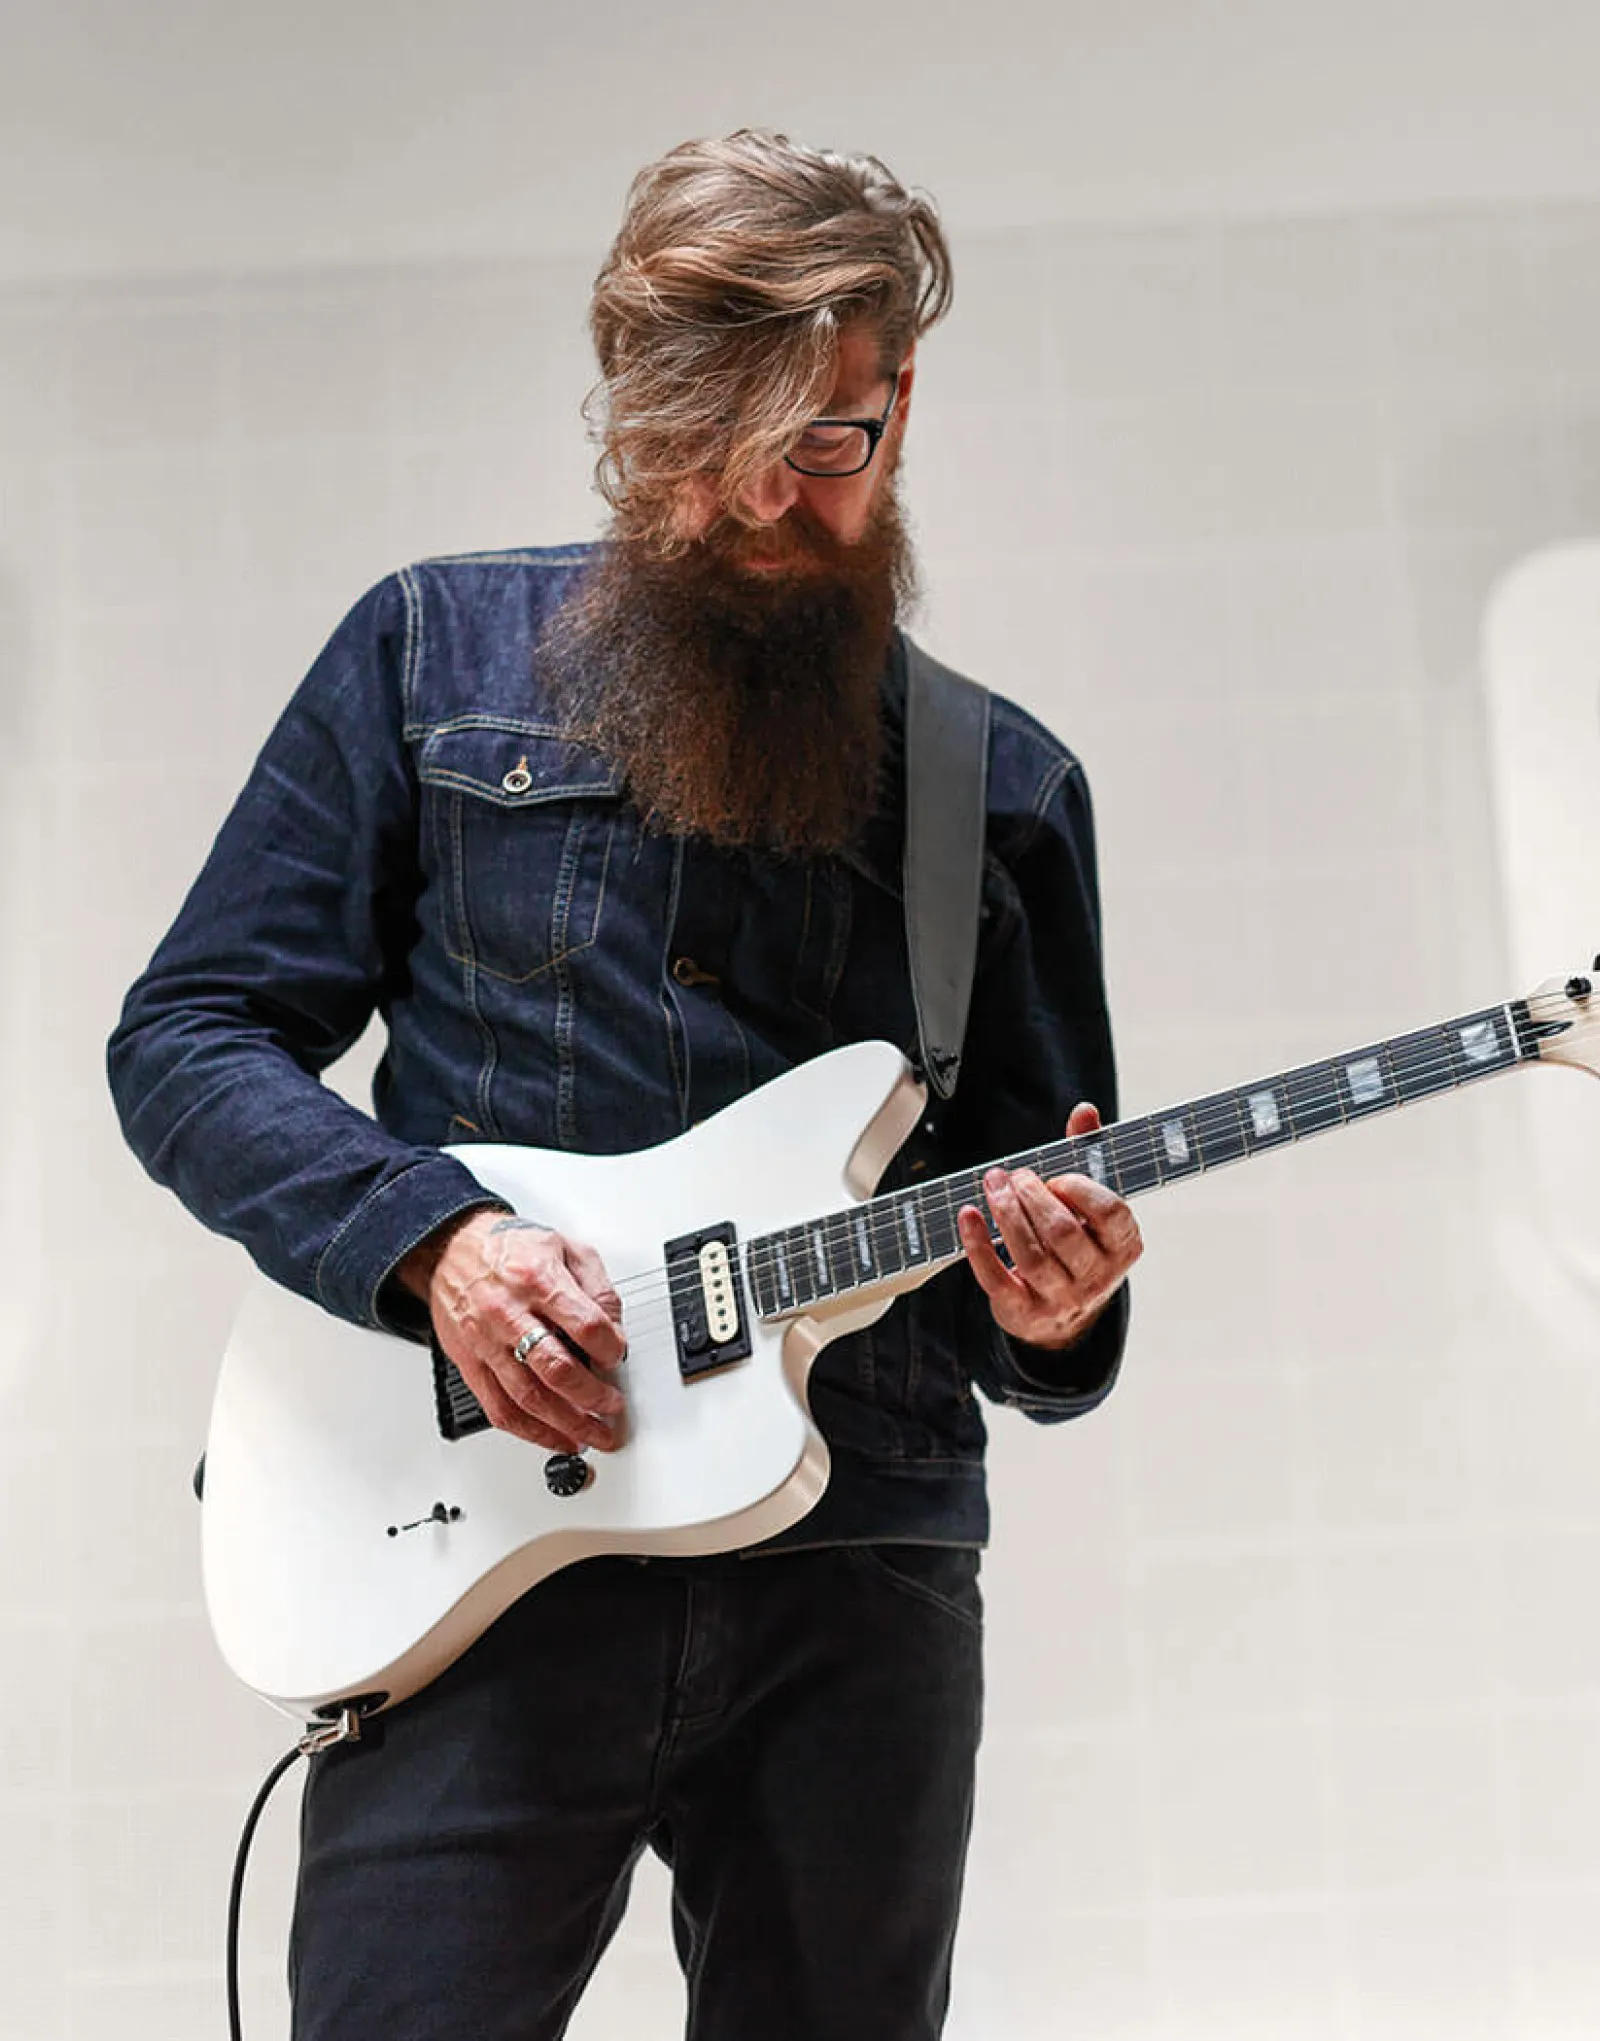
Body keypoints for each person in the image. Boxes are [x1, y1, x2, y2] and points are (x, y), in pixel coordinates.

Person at [108, 130, 1141, 2041]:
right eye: (699, 442)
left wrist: (1059, 1309)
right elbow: (188, 1035)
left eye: (824, 443)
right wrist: (438, 1246)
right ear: (621, 405)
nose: (760, 498)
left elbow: (1037, 1279)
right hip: (475, 1543)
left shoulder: (1001, 791)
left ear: (900, 405)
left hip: (860, 1564)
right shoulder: (428, 652)